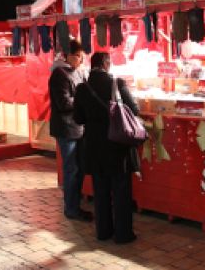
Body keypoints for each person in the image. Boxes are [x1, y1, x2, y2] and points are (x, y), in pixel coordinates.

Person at [73, 52, 141, 244]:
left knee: (100, 191)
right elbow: (134, 109)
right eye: (109, 61)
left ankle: (103, 232)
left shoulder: (82, 88)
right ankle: (123, 234)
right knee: (121, 191)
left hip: (94, 147)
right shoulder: (116, 84)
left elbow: (78, 119)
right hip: (117, 145)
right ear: (105, 63)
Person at [48, 39, 92, 222]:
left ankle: (75, 205)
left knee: (79, 168)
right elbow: (64, 103)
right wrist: (82, 100)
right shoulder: (59, 74)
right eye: (77, 57)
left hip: (79, 127)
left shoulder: (78, 72)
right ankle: (71, 209)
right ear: (67, 56)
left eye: (82, 57)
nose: (80, 61)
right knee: (71, 169)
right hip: (66, 129)